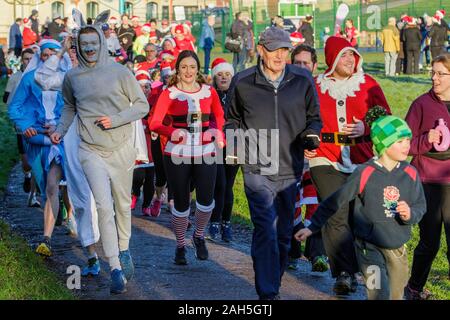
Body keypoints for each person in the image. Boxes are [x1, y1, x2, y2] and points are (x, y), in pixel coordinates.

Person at [50, 10, 149, 294]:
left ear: (101, 44)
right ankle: (115, 266)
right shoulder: (72, 76)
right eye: (84, 44)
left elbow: (141, 105)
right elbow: (69, 106)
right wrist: (60, 128)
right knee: (103, 207)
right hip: (89, 148)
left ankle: (125, 248)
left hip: (120, 147)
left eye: (94, 43)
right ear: (78, 46)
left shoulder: (120, 72)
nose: (90, 48)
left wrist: (115, 120)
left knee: (121, 205)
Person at [226, 27, 322, 300]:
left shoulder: (302, 79)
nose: (280, 55)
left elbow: (314, 116)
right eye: (274, 50)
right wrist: (235, 148)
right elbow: (232, 119)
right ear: (260, 50)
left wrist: (311, 134)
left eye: (284, 50)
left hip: (290, 165)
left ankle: (273, 282)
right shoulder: (243, 81)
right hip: (257, 165)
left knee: (282, 234)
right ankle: (267, 293)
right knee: (265, 228)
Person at [296, 111, 426, 300]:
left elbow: (420, 205)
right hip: (369, 247)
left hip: (398, 247)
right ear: (384, 145)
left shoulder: (411, 173)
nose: (407, 145)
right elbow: (336, 200)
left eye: (408, 140)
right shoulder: (365, 172)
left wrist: (410, 214)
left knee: (397, 295)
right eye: (400, 141)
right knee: (378, 294)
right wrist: (312, 227)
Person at [308, 36, 391, 295]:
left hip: (360, 158)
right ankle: (344, 273)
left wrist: (366, 127)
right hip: (324, 155)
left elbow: (386, 117)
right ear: (332, 59)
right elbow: (304, 116)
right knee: (336, 212)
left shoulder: (368, 84)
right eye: (343, 55)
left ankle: (367, 267)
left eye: (352, 55)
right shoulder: (317, 86)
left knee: (360, 215)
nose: (349, 60)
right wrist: (306, 140)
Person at [149, 50, 225, 266]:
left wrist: (218, 133)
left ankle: (199, 236)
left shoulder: (209, 92)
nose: (188, 71)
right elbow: (155, 121)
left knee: (206, 200)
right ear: (178, 70)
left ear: (198, 69)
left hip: (205, 151)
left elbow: (219, 116)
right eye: (184, 67)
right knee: (181, 202)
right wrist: (171, 131)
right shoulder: (169, 93)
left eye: (192, 67)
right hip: (177, 153)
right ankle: (180, 245)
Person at [8, 38, 73, 256]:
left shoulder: (68, 80)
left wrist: (58, 126)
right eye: (44, 55)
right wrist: (25, 125)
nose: (48, 59)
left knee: (53, 186)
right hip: (36, 141)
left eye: (53, 55)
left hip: (60, 140)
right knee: (47, 186)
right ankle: (60, 211)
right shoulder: (29, 79)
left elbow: (77, 108)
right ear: (39, 57)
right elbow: (15, 107)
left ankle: (47, 239)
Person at [404, 53, 450, 300]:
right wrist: (426, 140)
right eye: (433, 72)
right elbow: (403, 145)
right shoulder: (421, 104)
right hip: (427, 182)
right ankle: (413, 289)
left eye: (441, 73)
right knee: (429, 243)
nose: (435, 78)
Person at [288, 44, 328, 272]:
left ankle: (316, 253)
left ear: (314, 66)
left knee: (316, 203)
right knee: (291, 204)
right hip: (291, 156)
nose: (302, 67)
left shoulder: (324, 89)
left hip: (317, 156)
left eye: (306, 63)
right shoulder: (283, 88)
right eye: (298, 63)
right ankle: (292, 249)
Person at [206, 58, 239, 242]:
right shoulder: (210, 95)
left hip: (235, 144)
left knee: (229, 185)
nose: (224, 78)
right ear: (214, 77)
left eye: (227, 74)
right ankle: (214, 222)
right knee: (219, 184)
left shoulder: (238, 95)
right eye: (220, 75)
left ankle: (226, 223)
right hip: (215, 144)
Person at [3, 48, 39, 207]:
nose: (28, 61)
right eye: (26, 59)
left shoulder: (40, 76)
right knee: (26, 162)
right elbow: (6, 99)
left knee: (37, 159)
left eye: (31, 58)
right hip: (21, 124)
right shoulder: (16, 77)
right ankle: (27, 175)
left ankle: (34, 195)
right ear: (21, 60)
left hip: (37, 123)